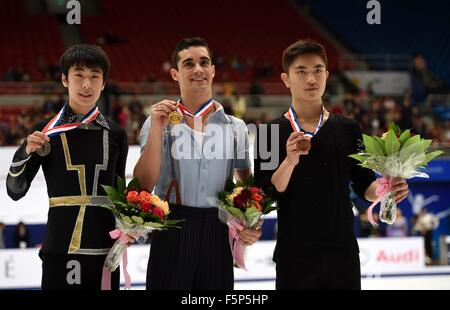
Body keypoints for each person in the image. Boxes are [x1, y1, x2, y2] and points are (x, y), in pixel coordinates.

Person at [254, 39, 409, 290]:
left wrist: (387, 189)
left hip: (342, 250)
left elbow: (363, 184)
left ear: (327, 75)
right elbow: (266, 195)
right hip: (294, 252)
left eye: (317, 70)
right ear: (286, 79)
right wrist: (290, 162)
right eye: (301, 71)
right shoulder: (269, 133)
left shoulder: (348, 129)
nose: (311, 79)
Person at [134, 37, 261, 289]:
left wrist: (253, 223)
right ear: (174, 73)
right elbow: (143, 184)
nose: (198, 69)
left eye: (204, 62)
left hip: (218, 231)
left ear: (213, 70)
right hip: (171, 227)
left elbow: (247, 186)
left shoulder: (236, 128)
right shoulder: (157, 122)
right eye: (189, 64)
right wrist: (158, 130)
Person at [6, 44, 128, 290]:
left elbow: (120, 194)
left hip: (106, 253)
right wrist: (25, 152)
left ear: (104, 83)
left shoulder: (116, 134)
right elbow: (14, 191)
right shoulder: (45, 132)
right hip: (60, 251)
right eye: (79, 76)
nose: (87, 85)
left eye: (95, 77)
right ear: (64, 79)